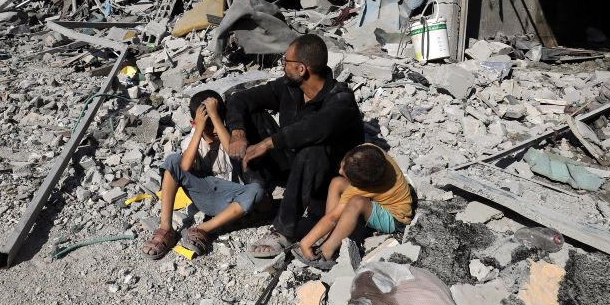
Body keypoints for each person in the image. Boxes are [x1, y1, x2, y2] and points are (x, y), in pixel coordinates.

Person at [224, 34, 364, 258]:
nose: (282, 66)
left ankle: (283, 230)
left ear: (301, 69)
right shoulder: (290, 88)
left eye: (285, 62)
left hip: (327, 178)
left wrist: (268, 143)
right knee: (250, 114)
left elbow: (316, 128)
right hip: (293, 165)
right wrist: (238, 132)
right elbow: (239, 99)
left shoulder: (341, 99)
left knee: (313, 149)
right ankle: (260, 193)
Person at [140, 90, 264, 259]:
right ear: (195, 124)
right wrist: (199, 129)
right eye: (208, 125)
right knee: (173, 160)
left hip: (230, 201)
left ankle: (203, 229)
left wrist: (214, 116)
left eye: (217, 122)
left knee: (257, 190)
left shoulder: (227, 135)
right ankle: (166, 229)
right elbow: (184, 166)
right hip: (204, 195)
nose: (213, 130)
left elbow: (231, 150)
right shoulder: (191, 140)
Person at [293, 144, 412, 269]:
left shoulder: (360, 189)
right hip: (382, 197)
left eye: (346, 175)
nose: (340, 171)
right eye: (343, 165)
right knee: (336, 182)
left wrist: (306, 242)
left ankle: (328, 250)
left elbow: (333, 218)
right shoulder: (370, 151)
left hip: (395, 218)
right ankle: (327, 234)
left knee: (356, 202)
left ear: (358, 186)